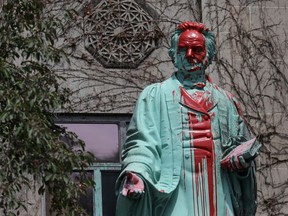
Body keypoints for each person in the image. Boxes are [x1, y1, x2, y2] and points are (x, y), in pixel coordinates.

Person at [115, 21, 259, 216]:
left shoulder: (227, 101)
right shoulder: (155, 95)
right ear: (174, 55)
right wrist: (137, 172)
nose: (189, 55)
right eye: (183, 49)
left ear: (208, 55)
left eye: (197, 49)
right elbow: (142, 144)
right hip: (176, 193)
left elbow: (241, 150)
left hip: (218, 191)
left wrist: (242, 165)